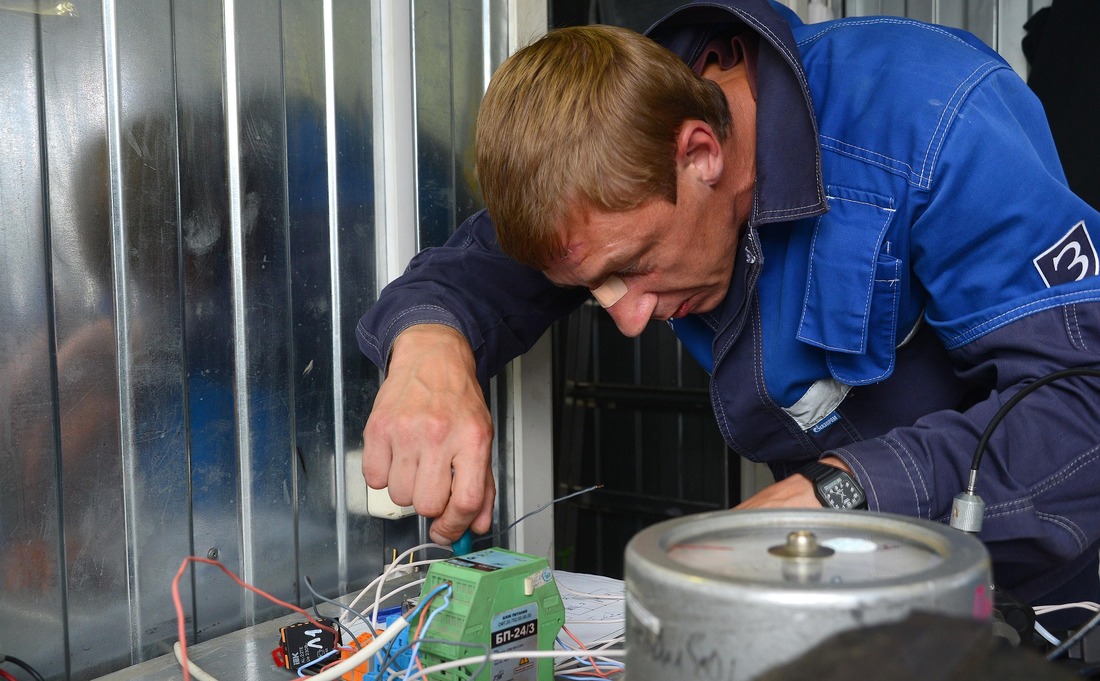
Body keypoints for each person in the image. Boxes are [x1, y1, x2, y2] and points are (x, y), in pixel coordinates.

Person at [357, 0, 1100, 605]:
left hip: (1020, 590)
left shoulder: (933, 123)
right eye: (592, 290)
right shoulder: (607, 163)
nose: (627, 317)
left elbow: (1083, 402)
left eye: (636, 267)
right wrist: (431, 348)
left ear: (700, 153)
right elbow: (463, 276)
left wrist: (844, 492)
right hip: (835, 595)